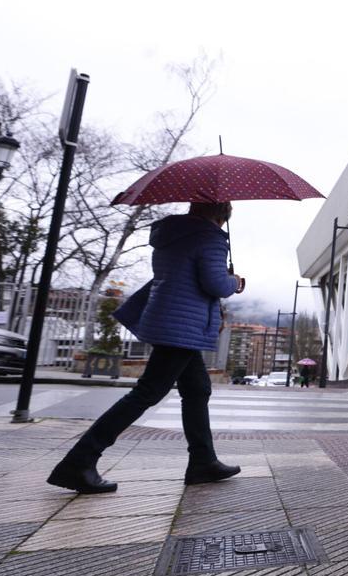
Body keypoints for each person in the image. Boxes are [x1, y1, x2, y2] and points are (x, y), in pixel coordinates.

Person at [48, 202, 246, 494]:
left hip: (166, 316)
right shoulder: (209, 237)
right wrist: (235, 282)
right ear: (220, 216)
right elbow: (215, 284)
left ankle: (203, 461)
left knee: (197, 389)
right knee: (147, 392)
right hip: (182, 324)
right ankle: (79, 461)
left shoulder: (171, 233)